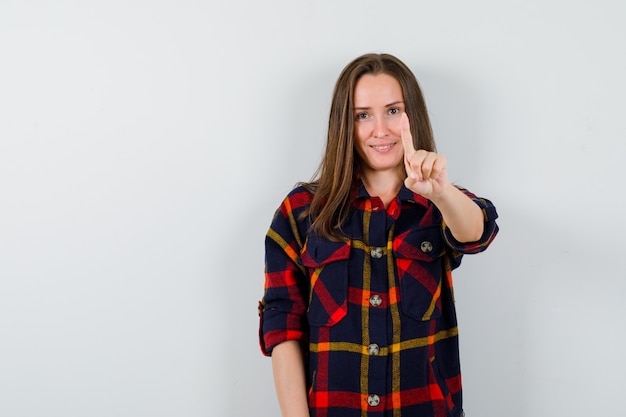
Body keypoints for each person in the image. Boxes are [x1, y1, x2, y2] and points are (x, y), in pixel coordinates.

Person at [258, 53, 499, 417]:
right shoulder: (301, 212)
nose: (380, 130)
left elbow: (476, 234)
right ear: (345, 124)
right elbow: (283, 325)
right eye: (363, 115)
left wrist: (441, 192)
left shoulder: (439, 203)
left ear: (411, 116)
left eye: (392, 110)